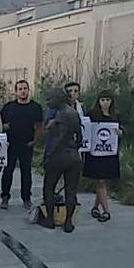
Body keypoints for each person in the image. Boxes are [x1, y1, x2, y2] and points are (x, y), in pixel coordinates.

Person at [39, 88, 83, 233]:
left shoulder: (63, 114)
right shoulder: (74, 112)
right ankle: (68, 222)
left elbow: (61, 138)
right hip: (74, 155)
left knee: (49, 187)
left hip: (60, 155)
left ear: (58, 99)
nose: (48, 102)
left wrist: (50, 154)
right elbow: (80, 136)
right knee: (71, 190)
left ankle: (50, 219)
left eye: (50, 99)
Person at [0, 80, 43, 210]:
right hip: (11, 144)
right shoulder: (8, 107)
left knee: (26, 172)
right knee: (8, 171)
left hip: (27, 144)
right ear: (16, 91)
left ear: (28, 90)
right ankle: (5, 197)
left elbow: (39, 126)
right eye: (20, 89)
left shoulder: (35, 107)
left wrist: (34, 141)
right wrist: (3, 127)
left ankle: (26, 198)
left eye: (25, 88)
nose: (23, 91)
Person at [83, 90, 122, 223]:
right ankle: (106, 211)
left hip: (109, 153)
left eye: (108, 100)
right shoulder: (92, 115)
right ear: (98, 101)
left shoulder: (115, 116)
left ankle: (95, 207)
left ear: (111, 102)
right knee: (100, 181)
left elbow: (122, 131)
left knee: (103, 181)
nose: (105, 103)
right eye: (103, 100)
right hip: (95, 154)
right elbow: (85, 129)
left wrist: (120, 133)